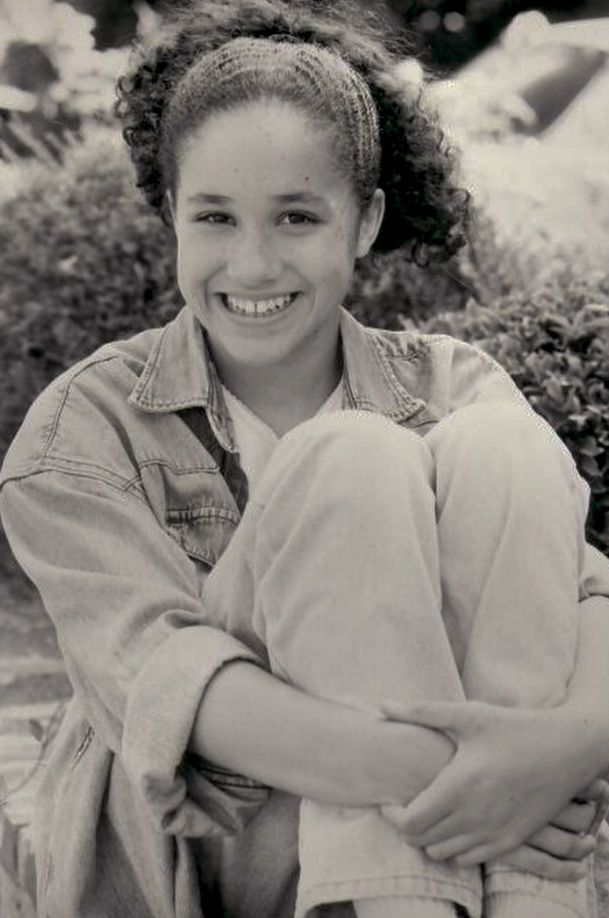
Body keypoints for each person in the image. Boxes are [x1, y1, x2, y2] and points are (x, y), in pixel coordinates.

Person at [1, 1, 609, 916]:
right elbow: (171, 695)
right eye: (214, 217)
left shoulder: (453, 384)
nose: (252, 264)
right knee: (354, 459)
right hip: (210, 836)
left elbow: (583, 595)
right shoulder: (84, 428)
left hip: (466, 825)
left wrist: (569, 742)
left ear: (362, 221)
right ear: (170, 212)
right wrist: (490, 780)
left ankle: (530, 904)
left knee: (497, 445)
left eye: (295, 217)